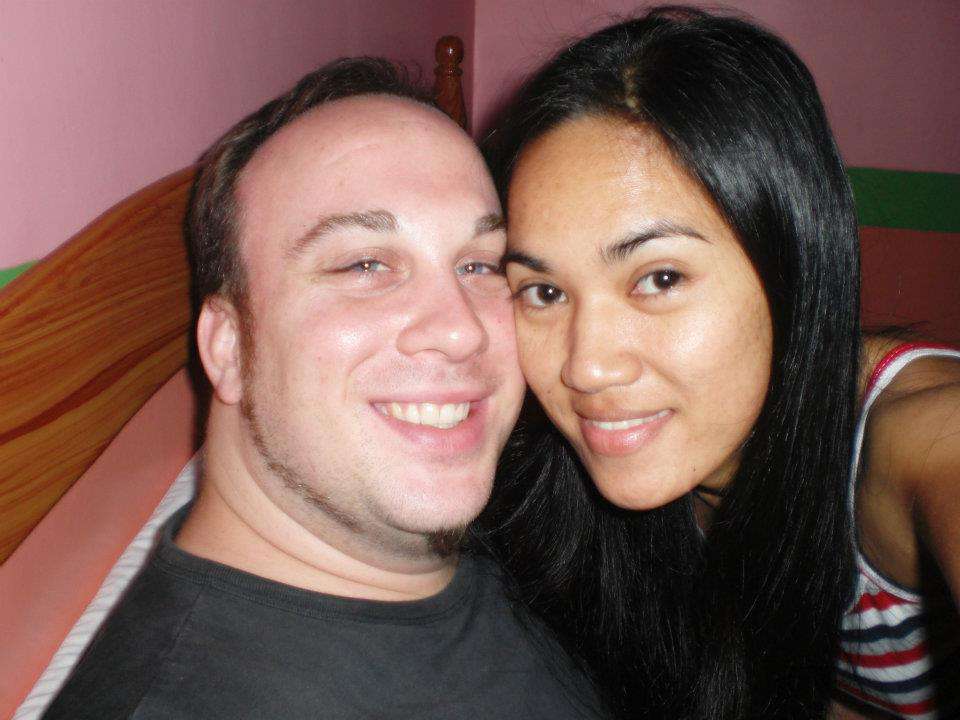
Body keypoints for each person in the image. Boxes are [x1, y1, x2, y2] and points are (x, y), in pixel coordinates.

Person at [43, 58, 602, 719]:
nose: (461, 331)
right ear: (228, 346)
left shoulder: (537, 526)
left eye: (480, 265)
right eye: (365, 264)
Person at [481, 6, 958, 719]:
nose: (587, 368)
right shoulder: (569, 488)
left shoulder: (919, 440)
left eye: (660, 278)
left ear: (792, 261)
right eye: (544, 292)